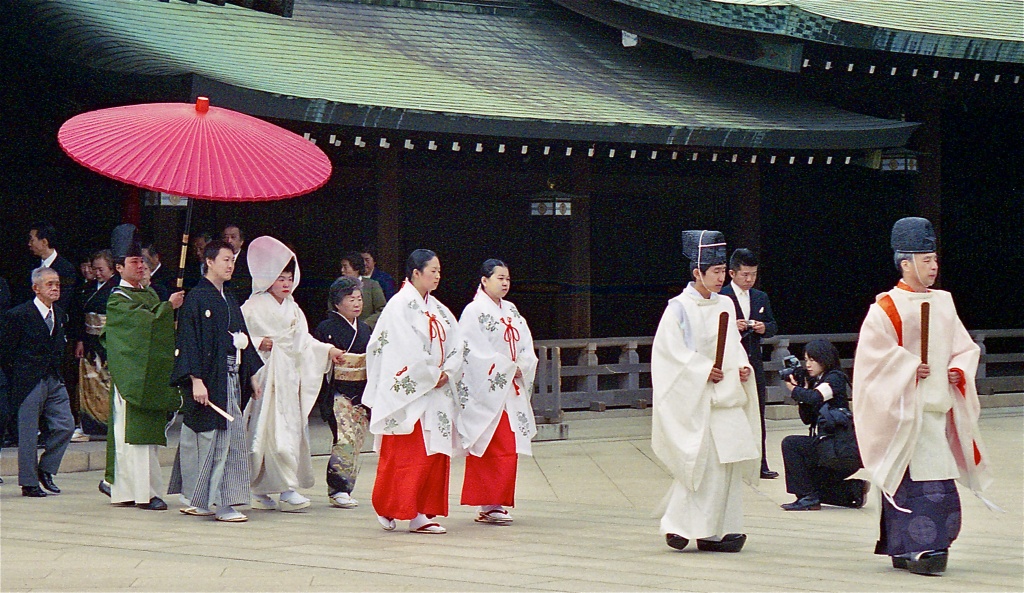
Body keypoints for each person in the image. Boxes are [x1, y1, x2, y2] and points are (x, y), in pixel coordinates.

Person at [853, 217, 993, 575]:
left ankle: (925, 546)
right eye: (926, 259)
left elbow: (964, 347)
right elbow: (872, 360)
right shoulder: (886, 308)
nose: (933, 267)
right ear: (906, 262)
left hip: (935, 411)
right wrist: (905, 367)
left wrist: (958, 371)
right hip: (903, 413)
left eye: (934, 259)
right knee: (912, 481)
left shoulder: (944, 303)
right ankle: (915, 549)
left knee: (935, 482)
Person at [651, 230, 760, 552]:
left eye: (723, 271)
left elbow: (734, 345)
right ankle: (683, 526)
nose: (720, 277)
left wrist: (742, 367)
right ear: (697, 272)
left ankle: (718, 529)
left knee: (727, 465)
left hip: (726, 396)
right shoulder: (679, 309)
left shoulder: (725, 303)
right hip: (700, 399)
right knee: (702, 464)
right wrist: (701, 371)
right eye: (714, 272)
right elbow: (668, 355)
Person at [241, 237, 344, 512]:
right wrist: (257, 340)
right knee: (264, 433)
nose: (285, 284)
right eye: (279, 278)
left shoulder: (294, 308)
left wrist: (328, 350)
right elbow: (237, 337)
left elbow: (304, 341)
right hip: (265, 375)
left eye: (289, 278)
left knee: (289, 431)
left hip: (289, 377)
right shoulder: (252, 307)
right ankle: (260, 489)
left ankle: (287, 487)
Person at [364, 249, 462, 534]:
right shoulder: (399, 305)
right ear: (415, 273)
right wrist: (432, 374)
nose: (438, 275)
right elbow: (401, 349)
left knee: (432, 453)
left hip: (436, 391)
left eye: (439, 271)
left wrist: (448, 370)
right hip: (411, 394)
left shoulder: (440, 309)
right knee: (408, 454)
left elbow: (457, 343)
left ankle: (421, 512)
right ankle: (394, 506)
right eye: (432, 270)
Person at [168, 240, 264, 523]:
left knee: (226, 438)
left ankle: (204, 499)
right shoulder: (197, 297)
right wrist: (196, 379)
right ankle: (222, 502)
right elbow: (189, 341)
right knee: (219, 438)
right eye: (225, 259)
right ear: (209, 262)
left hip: (231, 377)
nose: (230, 265)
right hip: (210, 378)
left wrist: (252, 376)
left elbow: (242, 336)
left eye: (233, 260)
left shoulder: (229, 297)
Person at [100, 225, 185, 510]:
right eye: (134, 262)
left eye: (142, 261)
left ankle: (137, 490)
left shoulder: (148, 295)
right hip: (131, 377)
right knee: (131, 437)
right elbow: (136, 328)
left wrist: (167, 314)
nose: (141, 266)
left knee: (144, 438)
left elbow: (156, 324)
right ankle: (140, 493)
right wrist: (166, 310)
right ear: (120, 267)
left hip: (150, 374)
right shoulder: (117, 299)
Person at [457, 259, 538, 524]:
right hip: (487, 388)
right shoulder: (473, 311)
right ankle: (488, 503)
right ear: (484, 280)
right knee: (492, 443)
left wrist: (522, 365)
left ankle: (496, 502)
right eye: (499, 278)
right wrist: (504, 368)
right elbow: (472, 351)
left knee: (508, 445)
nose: (504, 283)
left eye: (507, 279)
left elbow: (526, 345)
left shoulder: (512, 310)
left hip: (510, 387)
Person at [0, 267, 75, 497]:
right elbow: (6, 351)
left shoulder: (60, 314)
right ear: (36, 288)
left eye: (58, 284)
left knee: (66, 425)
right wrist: (18, 376)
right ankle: (29, 482)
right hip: (27, 379)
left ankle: (46, 469)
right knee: (28, 431)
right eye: (50, 284)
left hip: (53, 377)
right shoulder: (18, 315)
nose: (55, 288)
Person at [780, 339, 868, 510]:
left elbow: (815, 397)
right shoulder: (818, 382)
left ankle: (808, 498)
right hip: (830, 447)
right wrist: (802, 393)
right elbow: (808, 418)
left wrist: (795, 390)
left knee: (791, 444)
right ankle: (852, 491)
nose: (808, 365)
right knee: (808, 482)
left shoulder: (835, 378)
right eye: (806, 360)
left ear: (824, 358)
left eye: (812, 360)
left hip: (841, 449)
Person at [719, 248, 779, 479]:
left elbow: (773, 325)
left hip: (754, 361)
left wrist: (764, 328)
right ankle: (731, 460)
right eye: (745, 274)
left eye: (753, 274)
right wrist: (733, 327)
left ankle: (760, 462)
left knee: (757, 410)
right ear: (732, 273)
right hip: (729, 361)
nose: (749, 279)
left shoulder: (760, 297)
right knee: (731, 411)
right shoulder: (722, 297)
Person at [313, 277, 372, 509]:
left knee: (356, 440)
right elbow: (316, 356)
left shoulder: (365, 329)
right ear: (337, 304)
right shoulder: (326, 328)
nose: (357, 304)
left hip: (361, 390)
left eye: (359, 299)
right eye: (351, 299)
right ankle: (337, 488)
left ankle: (346, 487)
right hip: (338, 391)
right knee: (344, 439)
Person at [71, 249, 119, 441]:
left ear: (112, 269)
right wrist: (80, 340)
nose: (97, 273)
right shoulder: (89, 287)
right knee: (90, 383)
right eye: (95, 269)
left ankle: (108, 424)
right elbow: (82, 315)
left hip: (108, 341)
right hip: (90, 340)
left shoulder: (117, 287)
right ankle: (90, 424)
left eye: (101, 269)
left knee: (106, 384)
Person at [27, 222, 78, 312]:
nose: (29, 244)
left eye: (32, 240)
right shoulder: (32, 265)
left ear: (44, 242)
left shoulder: (65, 268)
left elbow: (63, 301)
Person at [340, 252, 386, 329]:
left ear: (356, 268)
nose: (342, 270)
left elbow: (382, 309)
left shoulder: (372, 285)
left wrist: (366, 324)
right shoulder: (338, 287)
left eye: (345, 267)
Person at [222, 223, 251, 303]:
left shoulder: (249, 260)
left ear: (241, 241)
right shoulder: (217, 259)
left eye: (233, 237)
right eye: (226, 237)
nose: (229, 240)